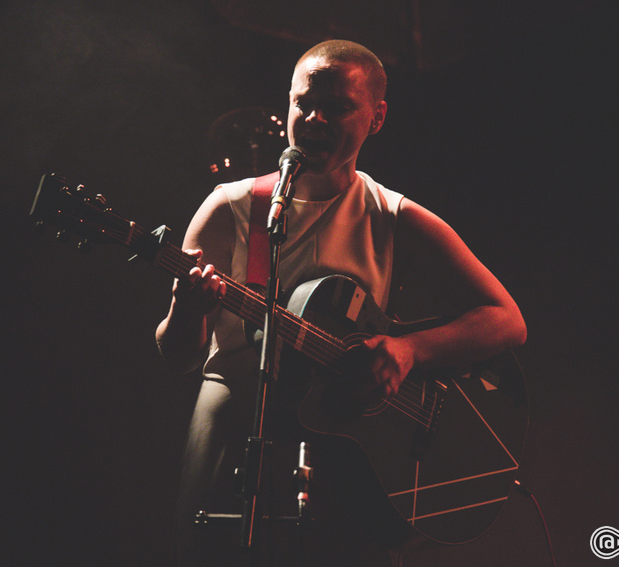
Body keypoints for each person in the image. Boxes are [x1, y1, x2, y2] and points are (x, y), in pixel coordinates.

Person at [156, 39, 526, 567]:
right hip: (232, 433)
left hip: (347, 451)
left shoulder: (392, 216)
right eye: (303, 102)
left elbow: (506, 320)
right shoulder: (232, 207)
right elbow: (178, 356)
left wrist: (410, 351)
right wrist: (186, 312)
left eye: (336, 107)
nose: (313, 118)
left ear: (377, 118)